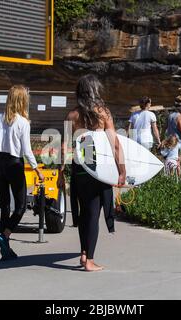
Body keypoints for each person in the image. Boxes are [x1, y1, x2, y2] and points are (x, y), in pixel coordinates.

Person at [58, 74, 126, 272]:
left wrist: (61, 172)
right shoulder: (103, 113)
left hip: (80, 170)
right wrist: (122, 170)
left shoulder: (72, 115)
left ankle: (83, 254)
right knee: (93, 215)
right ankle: (90, 261)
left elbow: (64, 148)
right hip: (99, 170)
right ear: (95, 91)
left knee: (84, 213)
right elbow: (115, 144)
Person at [0, 85, 44, 260]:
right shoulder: (23, 123)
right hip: (14, 164)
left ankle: (5, 250)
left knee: (5, 205)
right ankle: (5, 235)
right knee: (21, 205)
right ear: (22, 101)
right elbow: (27, 150)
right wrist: (36, 169)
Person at [164, 102, 181, 168]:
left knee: (169, 159)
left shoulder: (170, 115)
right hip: (177, 141)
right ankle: (178, 177)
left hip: (169, 141)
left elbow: (164, 127)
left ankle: (170, 175)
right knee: (177, 160)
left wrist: (163, 139)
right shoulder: (180, 118)